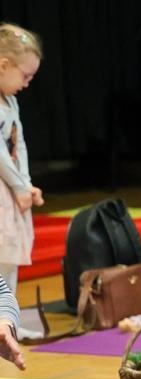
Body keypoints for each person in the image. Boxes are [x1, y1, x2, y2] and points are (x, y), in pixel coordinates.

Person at [0, 23, 41, 325]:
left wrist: (26, 184)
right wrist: (17, 186)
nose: (27, 84)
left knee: (10, 258)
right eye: (25, 76)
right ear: (3, 66)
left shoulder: (11, 102)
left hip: (12, 189)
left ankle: (8, 322)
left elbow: (19, 144)